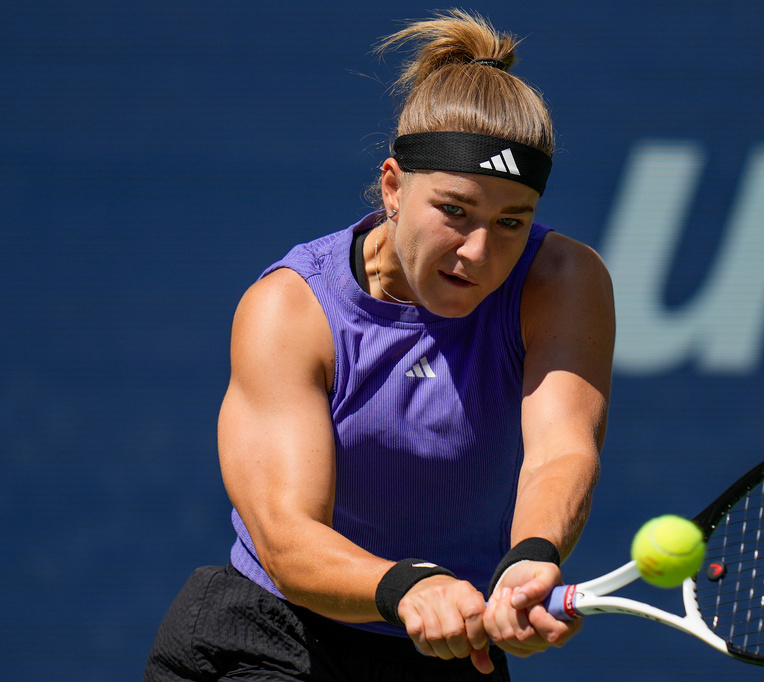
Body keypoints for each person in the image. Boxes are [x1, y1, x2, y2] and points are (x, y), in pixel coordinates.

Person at [145, 9, 615, 681]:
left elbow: (561, 451)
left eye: (511, 222)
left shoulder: (562, 281)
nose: (479, 251)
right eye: (454, 211)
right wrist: (412, 586)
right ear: (393, 186)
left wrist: (528, 560)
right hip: (273, 640)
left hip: (451, 649)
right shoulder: (290, 307)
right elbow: (286, 538)